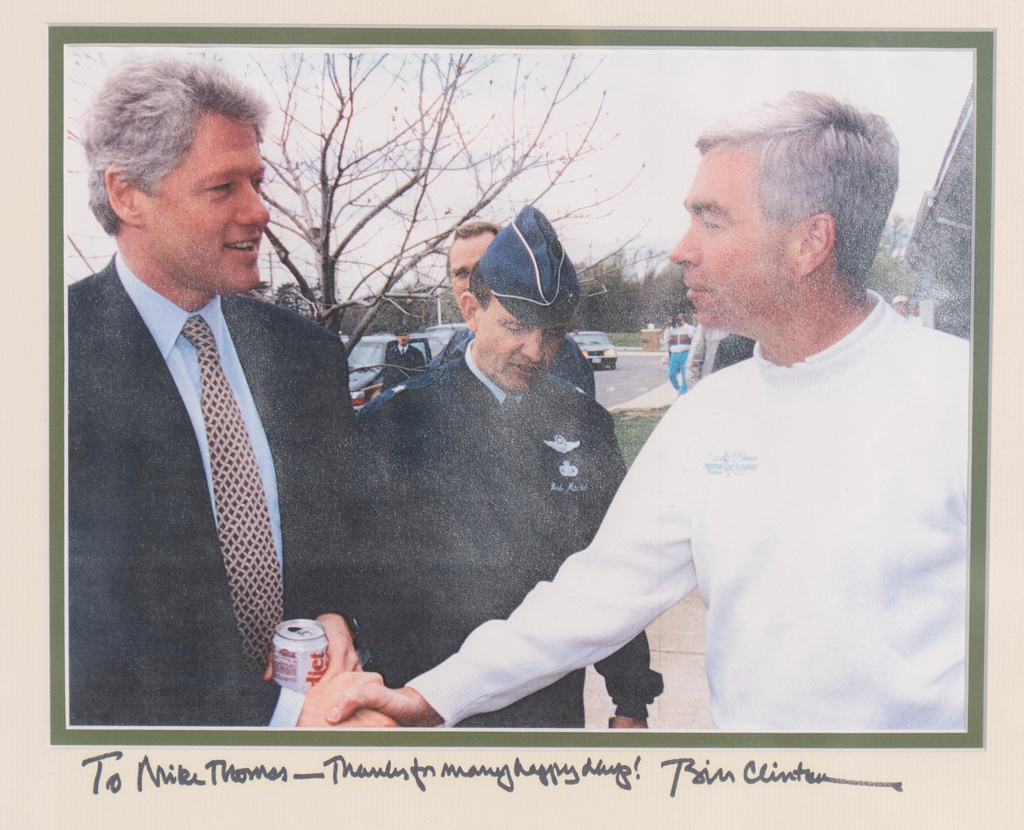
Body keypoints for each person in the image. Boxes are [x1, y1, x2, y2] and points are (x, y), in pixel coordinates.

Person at [307, 91, 970, 732]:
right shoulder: (707, 417)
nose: (682, 248)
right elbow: (593, 597)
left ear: (809, 242)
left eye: (711, 220)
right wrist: (427, 698)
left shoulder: (969, 403)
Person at [67, 58, 368, 727]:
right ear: (126, 196)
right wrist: (277, 721)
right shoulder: (47, 366)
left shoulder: (307, 356)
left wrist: (335, 613)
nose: (258, 210)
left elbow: (344, 540)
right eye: (221, 187)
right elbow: (71, 645)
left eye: (256, 181)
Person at [344, 206, 662, 728]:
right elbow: (363, 583)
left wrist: (631, 700)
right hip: (427, 706)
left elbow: (609, 568)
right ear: (471, 309)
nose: (535, 352)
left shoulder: (584, 424)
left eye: (555, 333)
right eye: (516, 326)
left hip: (549, 705)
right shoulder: (397, 423)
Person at [431, 219, 597, 399]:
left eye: (483, 267)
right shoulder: (452, 350)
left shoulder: (559, 351)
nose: (473, 281)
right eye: (461, 273)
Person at [380, 325, 427, 391]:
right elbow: (387, 375)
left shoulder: (416, 353)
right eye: (400, 335)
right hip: (394, 390)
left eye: (405, 335)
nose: (403, 338)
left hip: (411, 389)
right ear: (397, 337)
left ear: (408, 336)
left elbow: (420, 374)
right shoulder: (391, 353)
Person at [662, 312, 695, 394]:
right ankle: (678, 388)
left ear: (684, 319)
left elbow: (693, 335)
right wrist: (669, 327)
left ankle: (683, 393)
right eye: (678, 319)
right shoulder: (672, 329)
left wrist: (684, 325)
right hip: (674, 353)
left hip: (685, 353)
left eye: (681, 319)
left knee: (685, 375)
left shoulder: (688, 328)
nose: (679, 321)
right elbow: (665, 339)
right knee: (671, 374)